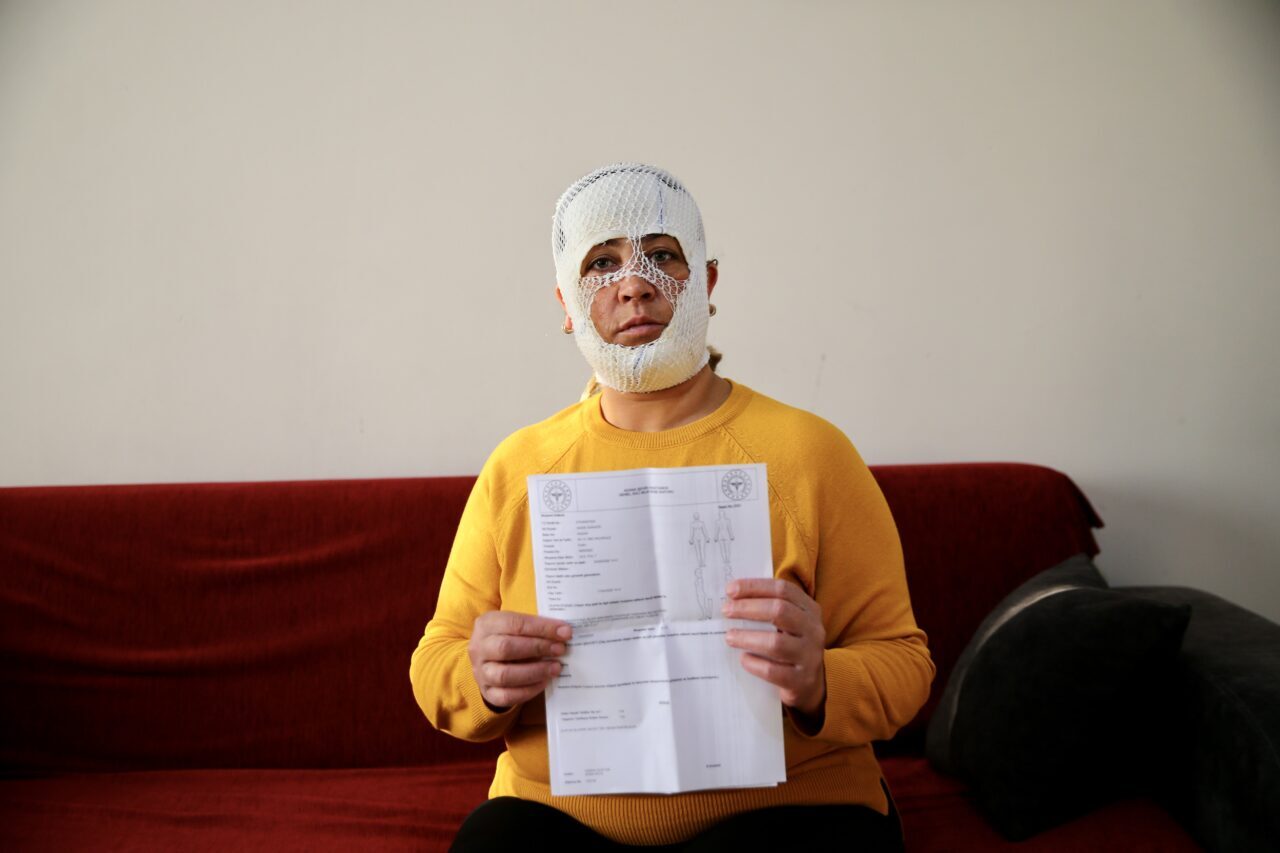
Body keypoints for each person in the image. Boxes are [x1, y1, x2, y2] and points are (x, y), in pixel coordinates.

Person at [410, 163, 934, 851]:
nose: (634, 283)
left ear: (707, 285)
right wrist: (482, 677)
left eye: (661, 255)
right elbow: (435, 663)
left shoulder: (811, 452)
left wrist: (819, 679)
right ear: (567, 304)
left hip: (787, 811)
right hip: (563, 819)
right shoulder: (520, 467)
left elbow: (903, 662)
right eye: (601, 264)